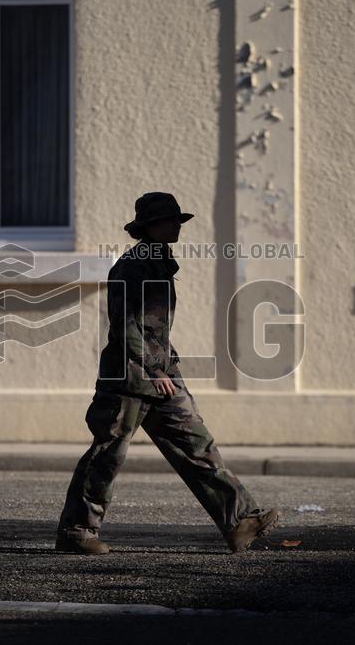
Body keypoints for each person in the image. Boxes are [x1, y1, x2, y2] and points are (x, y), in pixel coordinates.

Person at [56, 192, 281, 554]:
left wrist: (168, 367)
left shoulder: (160, 262)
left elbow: (157, 329)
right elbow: (126, 324)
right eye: (170, 220)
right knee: (108, 454)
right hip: (128, 378)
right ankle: (77, 531)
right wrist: (154, 367)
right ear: (150, 226)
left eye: (178, 220)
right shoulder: (132, 267)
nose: (178, 226)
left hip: (161, 373)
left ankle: (239, 522)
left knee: (197, 444)